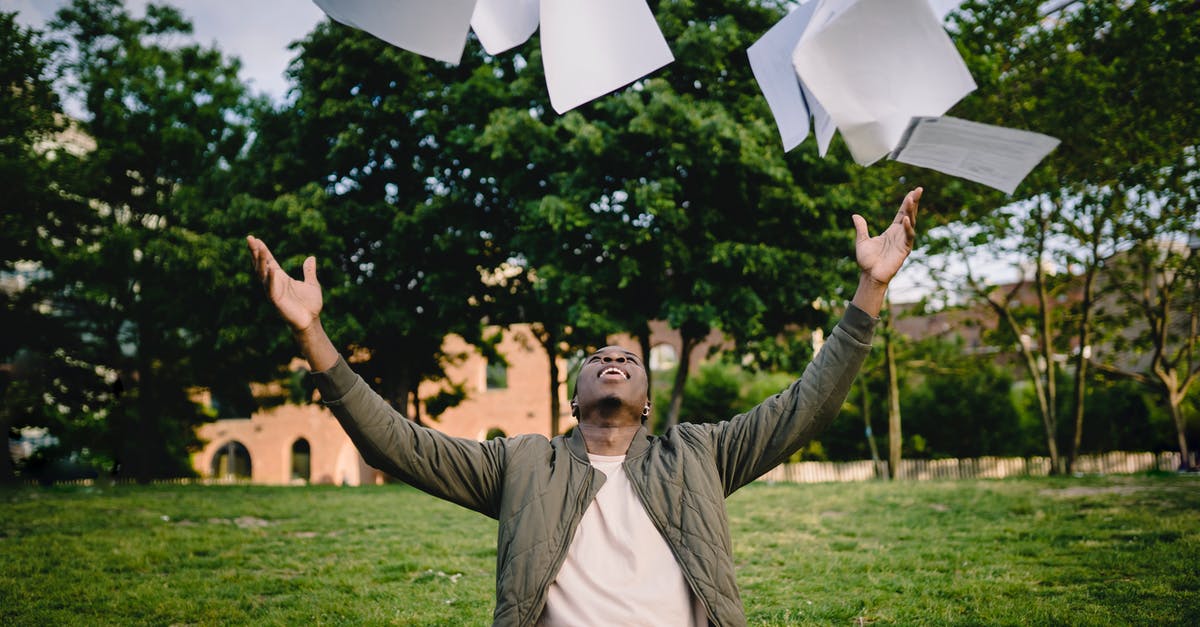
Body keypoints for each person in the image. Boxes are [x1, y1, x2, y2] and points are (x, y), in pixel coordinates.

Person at [246, 188, 922, 627]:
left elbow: (808, 405)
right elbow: (396, 443)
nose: (614, 358)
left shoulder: (701, 452)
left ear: (648, 401)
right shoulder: (521, 464)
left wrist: (869, 288)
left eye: (626, 357)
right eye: (598, 356)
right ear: (573, 399)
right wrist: (312, 334)